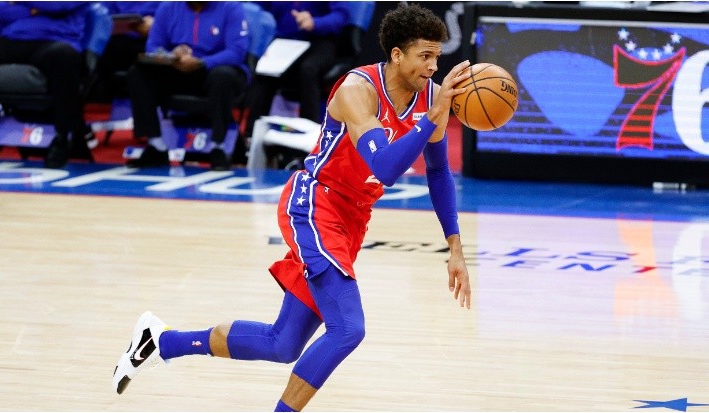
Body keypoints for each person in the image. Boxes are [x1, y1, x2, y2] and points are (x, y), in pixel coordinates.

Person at [112, 4, 471, 412]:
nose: (433, 66)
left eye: (437, 57)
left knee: (283, 343)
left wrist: (454, 247)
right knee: (348, 329)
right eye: (425, 56)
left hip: (353, 218)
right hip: (316, 205)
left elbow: (439, 173)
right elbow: (386, 167)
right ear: (396, 55)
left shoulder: (429, 98)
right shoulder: (359, 91)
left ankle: (160, 341)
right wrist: (434, 116)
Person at [125, 1, 250, 171]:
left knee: (222, 76)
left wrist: (202, 62)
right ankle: (156, 145)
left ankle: (218, 147)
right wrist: (171, 55)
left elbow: (236, 52)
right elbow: (153, 46)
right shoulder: (168, 7)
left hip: (214, 69)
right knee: (137, 72)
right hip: (177, 69)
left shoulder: (231, 8)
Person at [235, 2, 351, 165]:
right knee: (263, 72)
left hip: (319, 41)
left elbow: (341, 16)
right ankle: (250, 139)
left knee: (308, 70)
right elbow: (255, 7)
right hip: (284, 42)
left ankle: (311, 143)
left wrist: (316, 23)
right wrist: (260, 19)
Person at [0, 1, 94, 169]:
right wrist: (33, 9)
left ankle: (62, 138)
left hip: (54, 41)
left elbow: (58, 6)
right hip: (12, 39)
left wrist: (22, 5)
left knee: (64, 55)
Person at [88, 1, 161, 102]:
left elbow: (176, 14)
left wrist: (157, 26)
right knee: (104, 45)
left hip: (155, 41)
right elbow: (102, 14)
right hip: (120, 41)